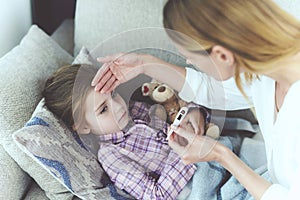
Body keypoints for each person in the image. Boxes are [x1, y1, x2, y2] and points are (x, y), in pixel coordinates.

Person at [91, 0, 300, 199]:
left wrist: (220, 155)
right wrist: (145, 64)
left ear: (223, 56)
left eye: (191, 56)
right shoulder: (264, 70)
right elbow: (212, 91)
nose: (188, 61)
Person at [42, 64, 241, 200]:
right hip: (194, 184)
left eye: (113, 94)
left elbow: (176, 112)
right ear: (83, 126)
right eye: (103, 109)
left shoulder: (135, 109)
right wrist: (184, 151)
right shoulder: (111, 155)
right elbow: (157, 196)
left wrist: (195, 114)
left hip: (215, 153)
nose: (118, 106)